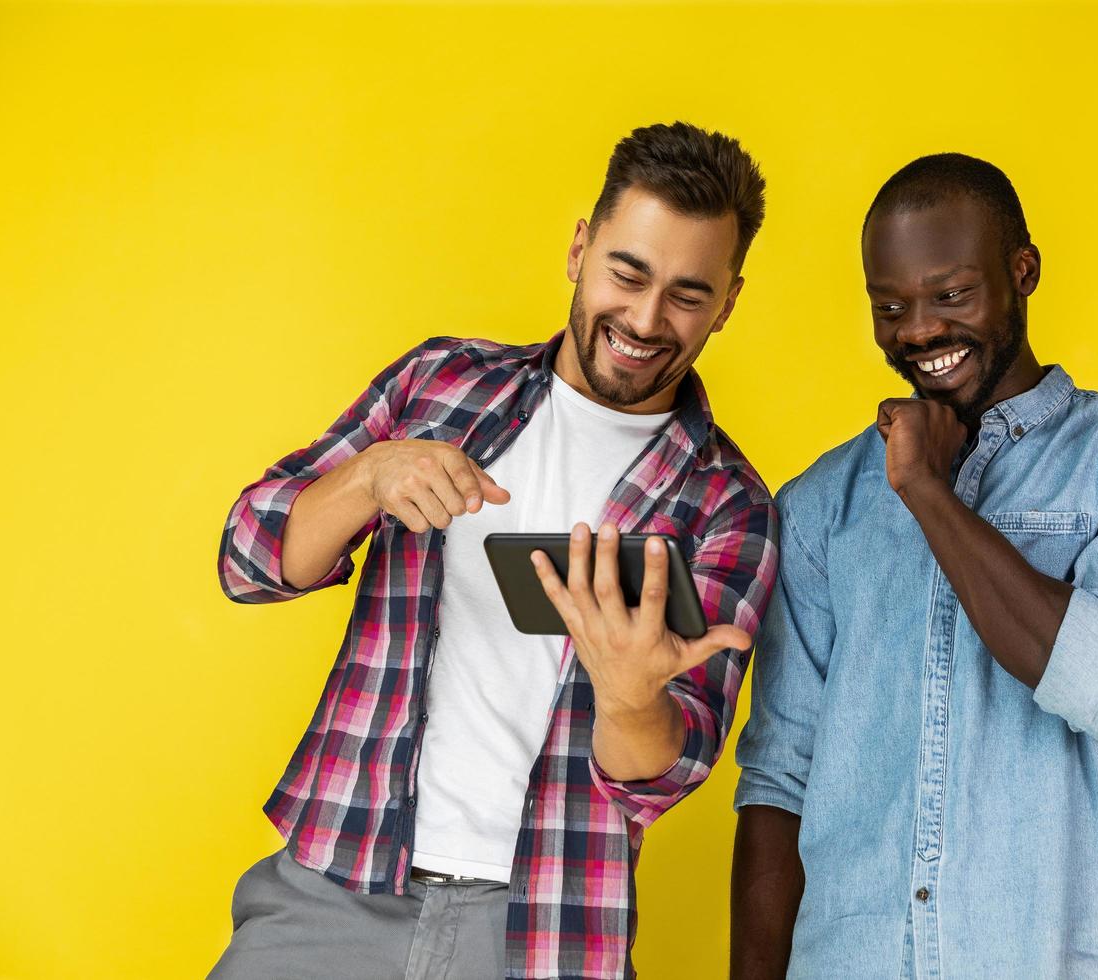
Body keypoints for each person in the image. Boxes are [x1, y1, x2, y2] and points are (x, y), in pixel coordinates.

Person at [211, 121, 778, 980]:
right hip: (335, 886)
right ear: (580, 248)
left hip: (544, 930)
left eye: (687, 294)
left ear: (729, 303)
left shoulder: (728, 502)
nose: (646, 318)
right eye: (627, 272)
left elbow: (664, 772)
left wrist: (628, 698)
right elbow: (249, 559)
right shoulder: (440, 384)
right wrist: (367, 476)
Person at [731, 153, 1098, 979]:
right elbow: (780, 780)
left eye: (950, 294)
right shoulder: (818, 506)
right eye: (889, 306)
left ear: (1021, 272)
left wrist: (927, 490)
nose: (917, 330)